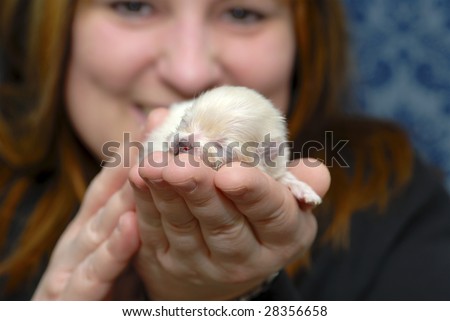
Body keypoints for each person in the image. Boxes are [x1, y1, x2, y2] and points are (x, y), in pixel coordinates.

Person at [0, 0, 449, 300]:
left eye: (241, 13)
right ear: (51, 26)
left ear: (305, 35)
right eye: (134, 4)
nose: (190, 73)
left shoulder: (400, 206)